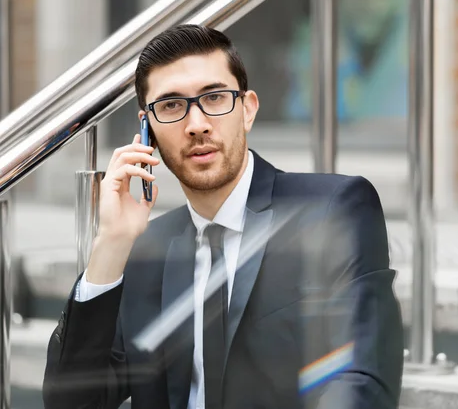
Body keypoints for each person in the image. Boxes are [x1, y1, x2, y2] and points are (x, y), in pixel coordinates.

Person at [42, 24, 403, 409]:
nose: (196, 124)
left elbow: (361, 378)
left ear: (247, 109)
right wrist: (110, 243)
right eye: (171, 105)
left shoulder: (333, 209)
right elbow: (72, 401)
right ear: (147, 131)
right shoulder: (146, 250)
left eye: (214, 98)